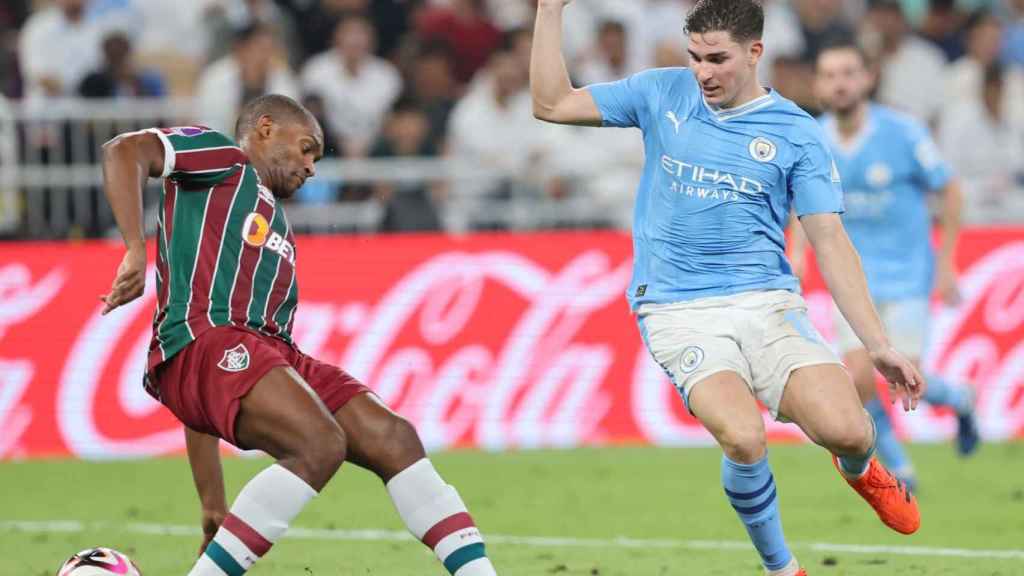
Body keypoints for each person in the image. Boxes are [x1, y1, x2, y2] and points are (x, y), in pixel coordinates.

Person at [530, 1, 925, 575]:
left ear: (755, 52)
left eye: (717, 59)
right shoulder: (662, 93)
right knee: (743, 438)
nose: (703, 72)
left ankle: (861, 465)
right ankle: (782, 567)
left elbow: (831, 242)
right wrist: (549, 10)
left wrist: (878, 344)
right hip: (676, 308)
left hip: (767, 303)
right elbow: (552, 103)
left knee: (846, 430)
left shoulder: (795, 132)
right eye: (695, 57)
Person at [98, 94, 497, 576]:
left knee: (394, 438)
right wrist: (135, 249)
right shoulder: (223, 157)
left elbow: (211, 396)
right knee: (318, 444)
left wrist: (212, 501)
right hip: (206, 339)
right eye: (307, 149)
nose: (311, 167)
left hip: (257, 352)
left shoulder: (277, 228)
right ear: (265, 128)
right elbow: (123, 150)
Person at [797, 41, 980, 489]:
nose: (839, 83)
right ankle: (901, 468)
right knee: (859, 378)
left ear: (867, 78)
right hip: (850, 280)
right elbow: (801, 202)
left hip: (907, 276)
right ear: (818, 84)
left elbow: (950, 191)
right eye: (829, 75)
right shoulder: (812, 139)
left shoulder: (904, 132)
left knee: (904, 378)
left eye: (848, 73)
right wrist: (797, 254)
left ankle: (958, 398)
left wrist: (946, 262)